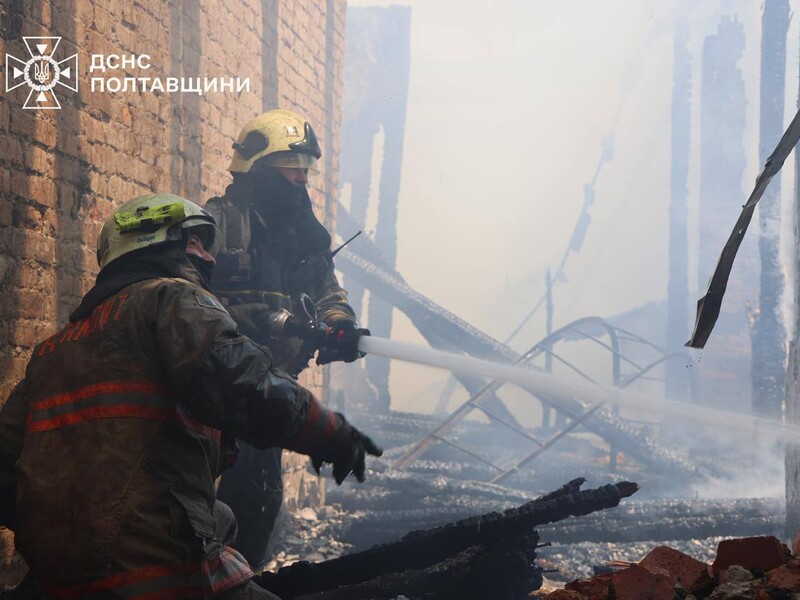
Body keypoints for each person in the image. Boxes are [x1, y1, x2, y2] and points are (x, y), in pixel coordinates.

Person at [0, 193, 381, 599]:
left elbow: (5, 468)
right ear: (152, 244)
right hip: (147, 568)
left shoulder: (52, 350)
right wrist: (328, 432)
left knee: (221, 518)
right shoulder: (172, 299)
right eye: (195, 243)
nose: (210, 258)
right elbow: (242, 383)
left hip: (57, 570)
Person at [206, 109, 368, 569]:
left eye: (306, 170)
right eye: (291, 169)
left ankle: (237, 585)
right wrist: (261, 319)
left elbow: (328, 290)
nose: (301, 181)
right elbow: (184, 298)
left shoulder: (306, 234)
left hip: (270, 391)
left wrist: (340, 324)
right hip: (212, 391)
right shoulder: (215, 224)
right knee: (200, 502)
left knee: (260, 501)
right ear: (259, 169)